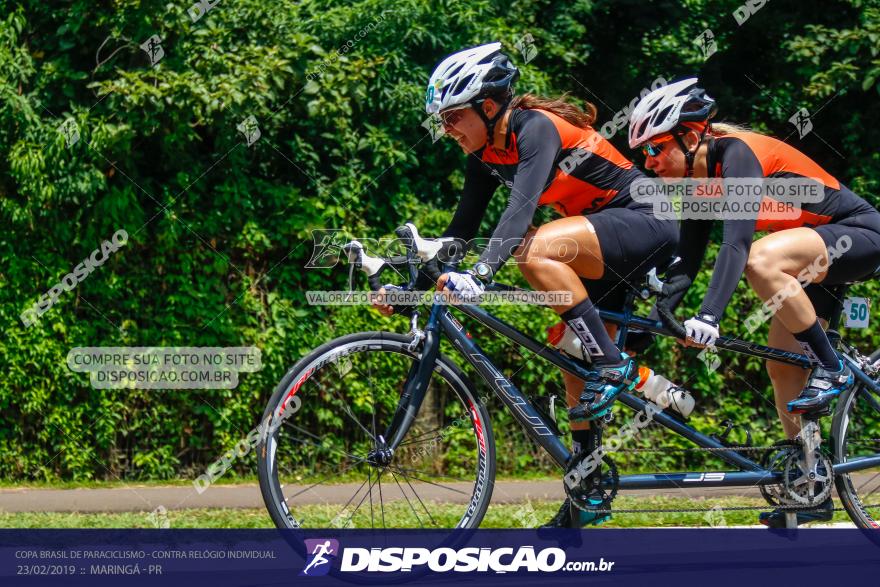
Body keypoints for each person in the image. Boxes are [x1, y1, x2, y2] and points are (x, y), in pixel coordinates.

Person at [376, 42, 678, 526]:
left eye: (453, 118)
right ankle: (587, 493)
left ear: (488, 106)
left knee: (531, 249)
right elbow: (459, 236)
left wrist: (480, 274)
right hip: (596, 243)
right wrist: (408, 287)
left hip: (646, 219)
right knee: (571, 359)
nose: (446, 129)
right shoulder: (484, 154)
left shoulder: (534, 126)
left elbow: (521, 211)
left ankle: (615, 365)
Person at [628, 77, 880, 527]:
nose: (648, 162)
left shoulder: (735, 154)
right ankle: (810, 486)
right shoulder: (700, 183)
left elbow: (738, 245)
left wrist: (710, 316)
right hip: (812, 258)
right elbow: (687, 261)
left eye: (654, 148)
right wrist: (651, 324)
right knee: (783, 366)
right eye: (643, 153)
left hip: (858, 234)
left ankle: (832, 368)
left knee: (763, 260)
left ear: (689, 137)